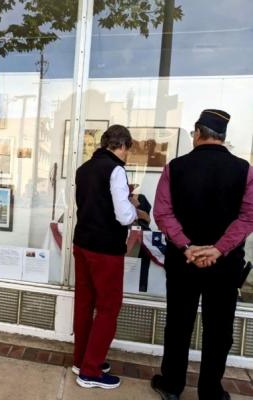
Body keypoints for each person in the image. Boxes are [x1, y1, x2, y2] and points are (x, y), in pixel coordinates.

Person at [151, 109, 253, 400]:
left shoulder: (175, 167)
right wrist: (218, 249)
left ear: (197, 133)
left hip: (183, 262)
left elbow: (162, 212)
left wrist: (187, 246)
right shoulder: (244, 169)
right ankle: (211, 391)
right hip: (225, 265)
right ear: (223, 136)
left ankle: (171, 386)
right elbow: (248, 216)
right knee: (219, 330)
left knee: (178, 324)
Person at [72, 125, 145, 390]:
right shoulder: (116, 170)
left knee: (84, 303)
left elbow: (92, 202)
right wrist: (134, 205)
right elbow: (123, 216)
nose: (127, 155)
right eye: (128, 150)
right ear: (123, 146)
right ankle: (91, 371)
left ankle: (82, 360)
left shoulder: (84, 169)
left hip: (82, 244)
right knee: (108, 308)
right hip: (105, 249)